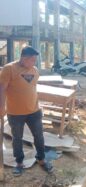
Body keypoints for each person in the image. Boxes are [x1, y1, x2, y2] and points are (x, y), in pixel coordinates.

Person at [0, 46, 53, 176]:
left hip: (34, 111)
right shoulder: (9, 69)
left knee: (39, 136)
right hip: (15, 113)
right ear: (24, 58)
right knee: (17, 138)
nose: (34, 63)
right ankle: (19, 163)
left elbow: (32, 87)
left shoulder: (34, 70)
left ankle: (41, 159)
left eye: (35, 60)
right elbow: (2, 89)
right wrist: (1, 107)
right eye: (32, 60)